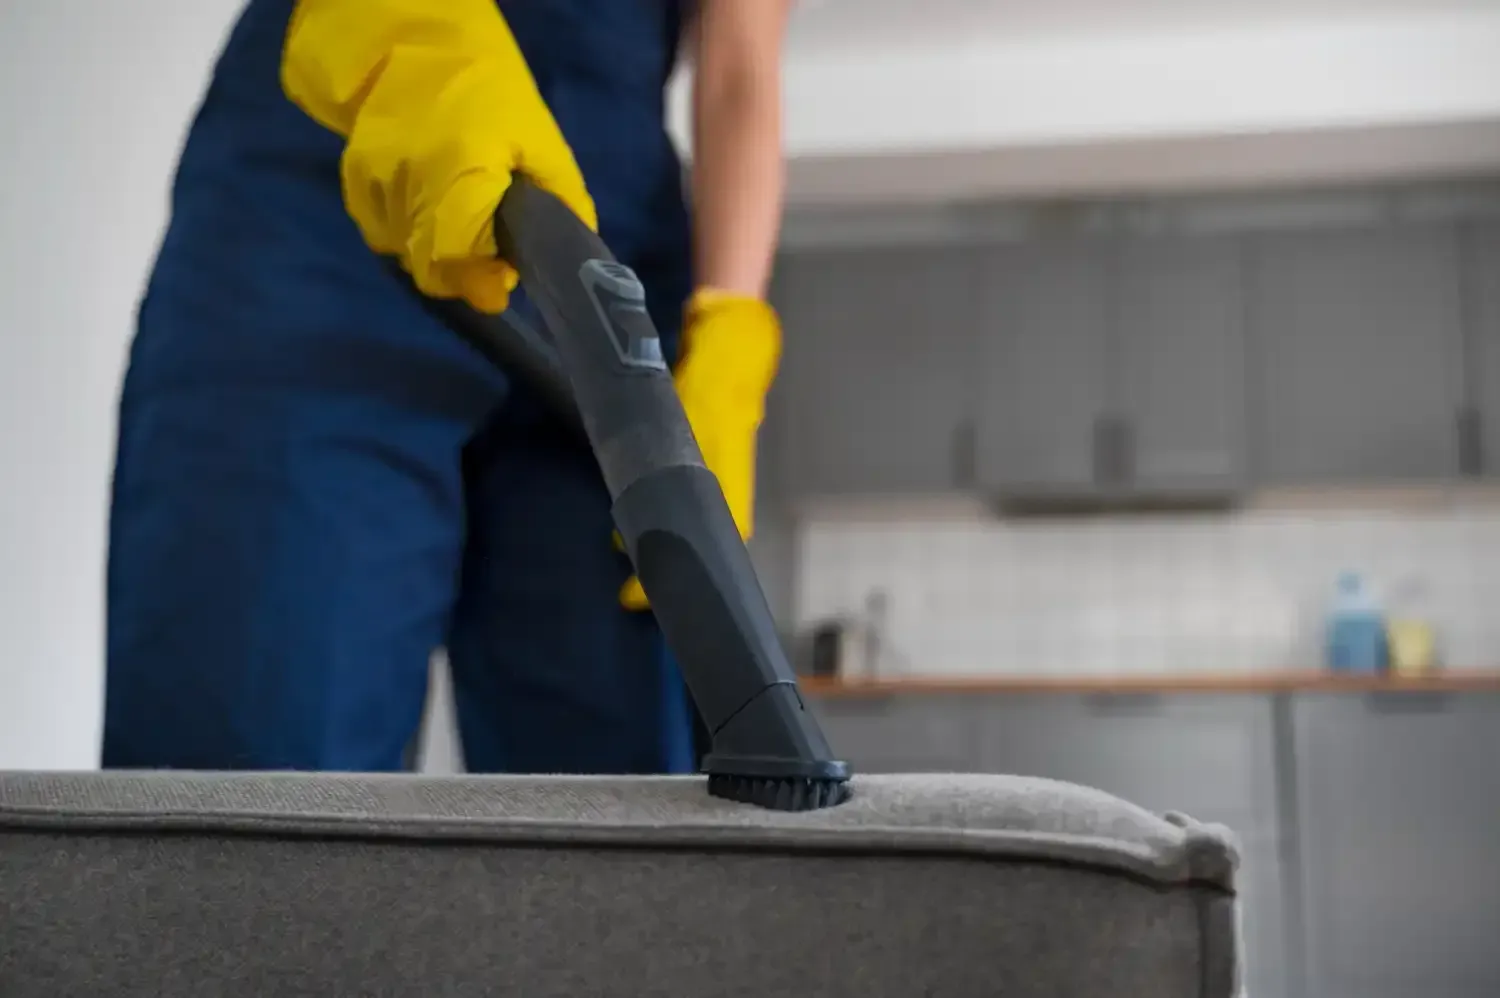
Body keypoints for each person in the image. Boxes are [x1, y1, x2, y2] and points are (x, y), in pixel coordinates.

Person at [101, 0, 795, 774]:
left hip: (598, 251)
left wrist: (730, 338)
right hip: (336, 175)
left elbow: (741, 62)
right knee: (255, 758)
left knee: (613, 793)